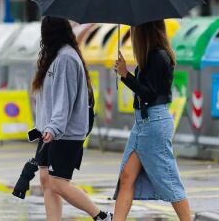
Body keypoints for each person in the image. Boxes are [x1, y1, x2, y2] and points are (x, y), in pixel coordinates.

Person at [32, 16, 113, 221]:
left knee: (58, 182)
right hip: (50, 129)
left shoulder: (66, 58)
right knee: (46, 179)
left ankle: (102, 216)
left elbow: (64, 99)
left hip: (65, 131)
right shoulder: (53, 57)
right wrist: (43, 127)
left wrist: (54, 127)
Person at [113, 20, 192, 220]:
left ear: (143, 31)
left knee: (169, 180)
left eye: (134, 29)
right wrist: (127, 74)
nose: (131, 34)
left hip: (154, 123)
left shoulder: (159, 57)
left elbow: (150, 94)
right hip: (143, 124)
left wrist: (125, 75)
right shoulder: (149, 57)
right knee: (127, 177)